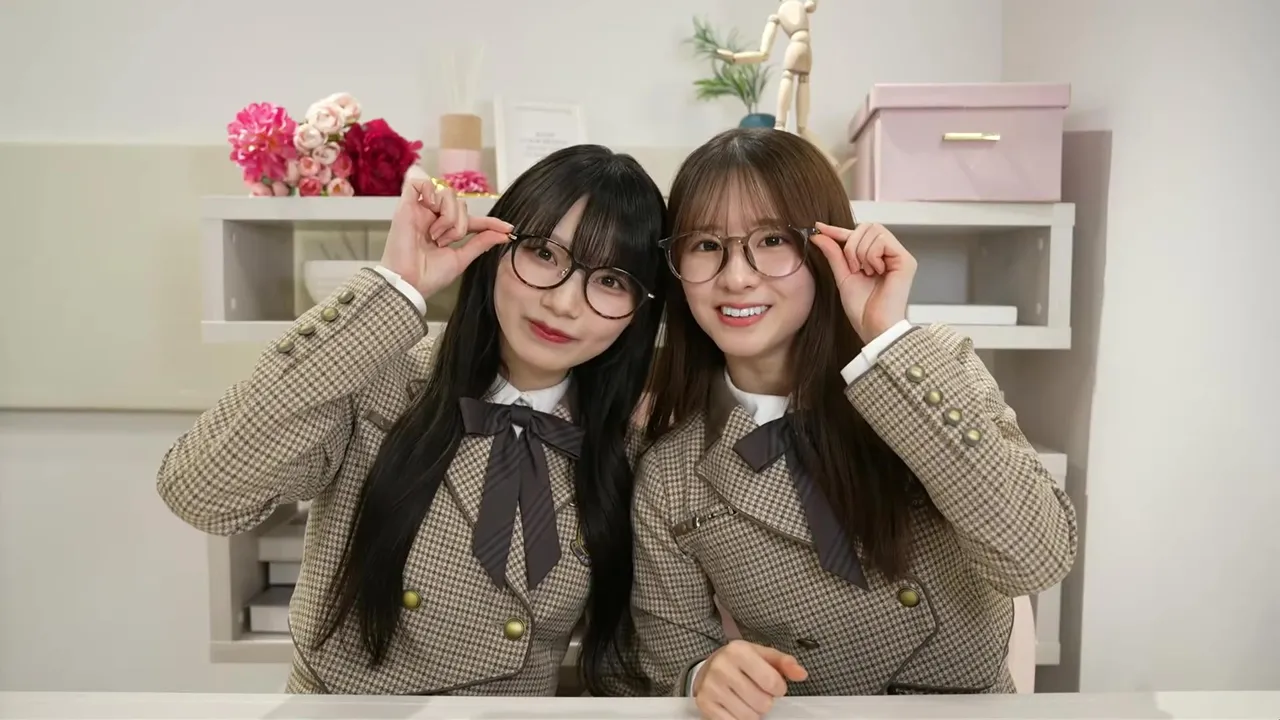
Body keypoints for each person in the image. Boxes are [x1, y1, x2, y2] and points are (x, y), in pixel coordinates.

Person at [157, 145, 667, 696]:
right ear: (497, 245)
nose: (564, 302)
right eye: (544, 253)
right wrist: (395, 286)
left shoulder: (631, 446)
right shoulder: (376, 375)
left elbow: (634, 662)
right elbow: (199, 491)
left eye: (611, 280)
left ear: (639, 311)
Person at [632, 128, 1078, 718]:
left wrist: (886, 338)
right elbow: (671, 660)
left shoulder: (930, 366)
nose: (736, 277)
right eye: (707, 244)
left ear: (827, 246)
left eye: (772, 239)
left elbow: (1037, 556)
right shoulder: (669, 473)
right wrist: (703, 677)